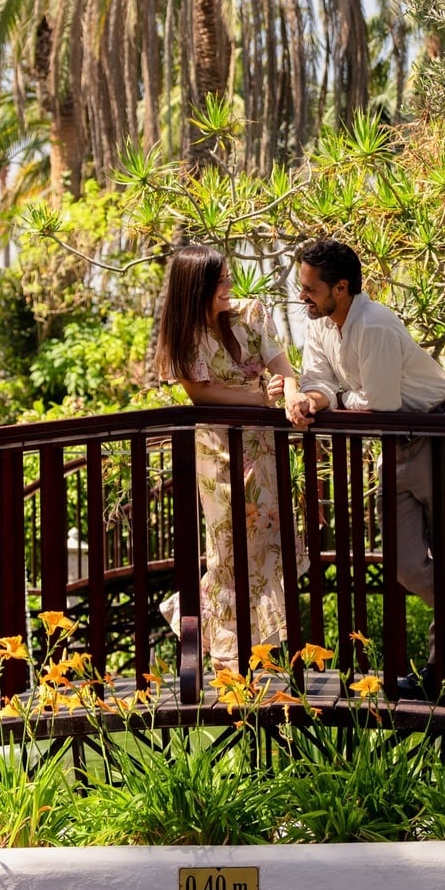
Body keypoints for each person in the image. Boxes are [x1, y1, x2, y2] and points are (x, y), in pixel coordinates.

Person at [285, 237, 445, 692]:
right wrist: (312, 401)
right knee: (405, 561)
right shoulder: (320, 324)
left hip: (441, 434)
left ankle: (439, 674)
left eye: (310, 289)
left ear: (342, 288)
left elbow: (382, 403)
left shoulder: (375, 326)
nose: (301, 297)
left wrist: (336, 399)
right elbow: (318, 381)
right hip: (395, 446)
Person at [155, 245, 306, 671]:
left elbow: (283, 369)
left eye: (227, 277)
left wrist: (288, 394)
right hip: (217, 454)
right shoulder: (183, 332)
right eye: (219, 280)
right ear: (197, 286)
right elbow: (200, 394)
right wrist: (259, 396)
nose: (229, 285)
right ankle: (227, 657)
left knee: (266, 546)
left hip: (263, 448)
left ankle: (249, 652)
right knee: (227, 550)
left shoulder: (250, 314)